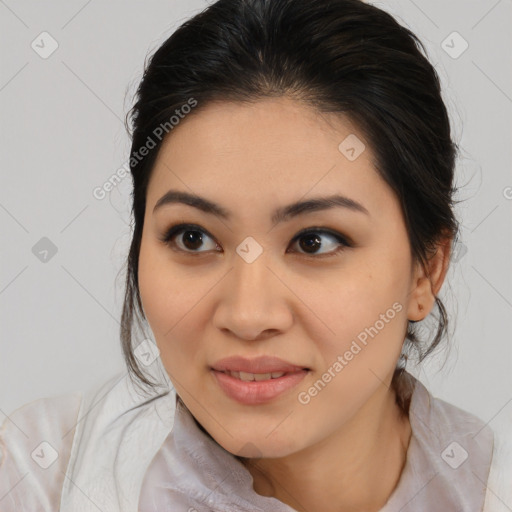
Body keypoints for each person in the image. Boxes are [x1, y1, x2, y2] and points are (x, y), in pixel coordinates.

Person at [1, 0, 511, 510]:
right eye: (193, 238)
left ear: (427, 269)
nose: (248, 315)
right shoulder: (35, 479)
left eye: (315, 241)